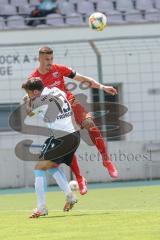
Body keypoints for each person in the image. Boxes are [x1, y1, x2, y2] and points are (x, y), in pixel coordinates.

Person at [27, 46, 119, 191]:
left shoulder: (59, 69)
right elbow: (31, 98)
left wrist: (102, 87)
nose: (49, 62)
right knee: (68, 140)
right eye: (46, 60)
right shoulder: (34, 78)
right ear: (39, 59)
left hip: (71, 102)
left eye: (51, 59)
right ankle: (80, 178)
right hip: (56, 112)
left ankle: (106, 160)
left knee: (90, 123)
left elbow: (82, 79)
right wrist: (30, 103)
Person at [22, 77, 80, 218]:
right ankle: (70, 196)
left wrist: (27, 101)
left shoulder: (39, 102)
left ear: (35, 92)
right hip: (73, 136)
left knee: (39, 168)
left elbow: (29, 112)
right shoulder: (57, 90)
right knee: (52, 166)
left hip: (62, 139)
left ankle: (41, 207)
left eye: (29, 93)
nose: (28, 95)